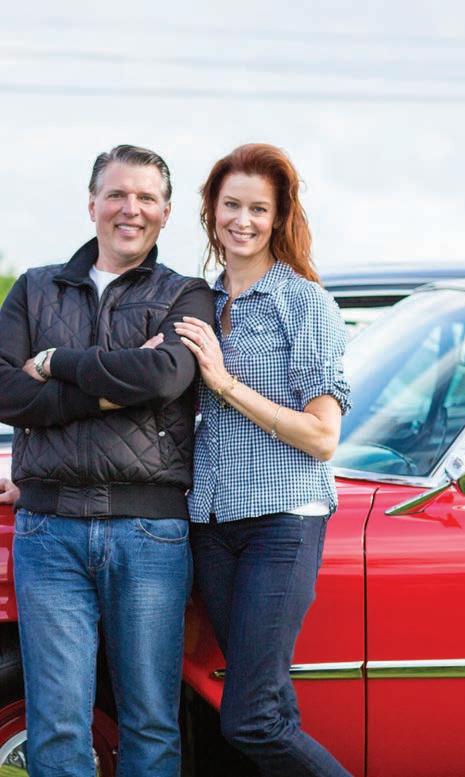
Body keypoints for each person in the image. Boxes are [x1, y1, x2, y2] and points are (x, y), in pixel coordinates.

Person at [0, 144, 214, 777]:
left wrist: (56, 363)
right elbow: (5, 391)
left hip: (150, 533)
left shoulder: (186, 294)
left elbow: (165, 377)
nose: (131, 209)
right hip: (49, 530)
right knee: (57, 723)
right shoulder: (35, 288)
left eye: (147, 197)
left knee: (150, 721)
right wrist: (113, 387)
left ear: (166, 212)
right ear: (91, 204)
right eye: (117, 194)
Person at [175, 143, 352, 777]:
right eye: (231, 205)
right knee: (267, 705)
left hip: (281, 523)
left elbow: (323, 436)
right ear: (211, 210)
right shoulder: (197, 301)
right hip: (210, 526)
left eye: (258, 208)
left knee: (251, 718)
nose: (242, 220)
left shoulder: (304, 303)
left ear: (279, 218)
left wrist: (224, 383)